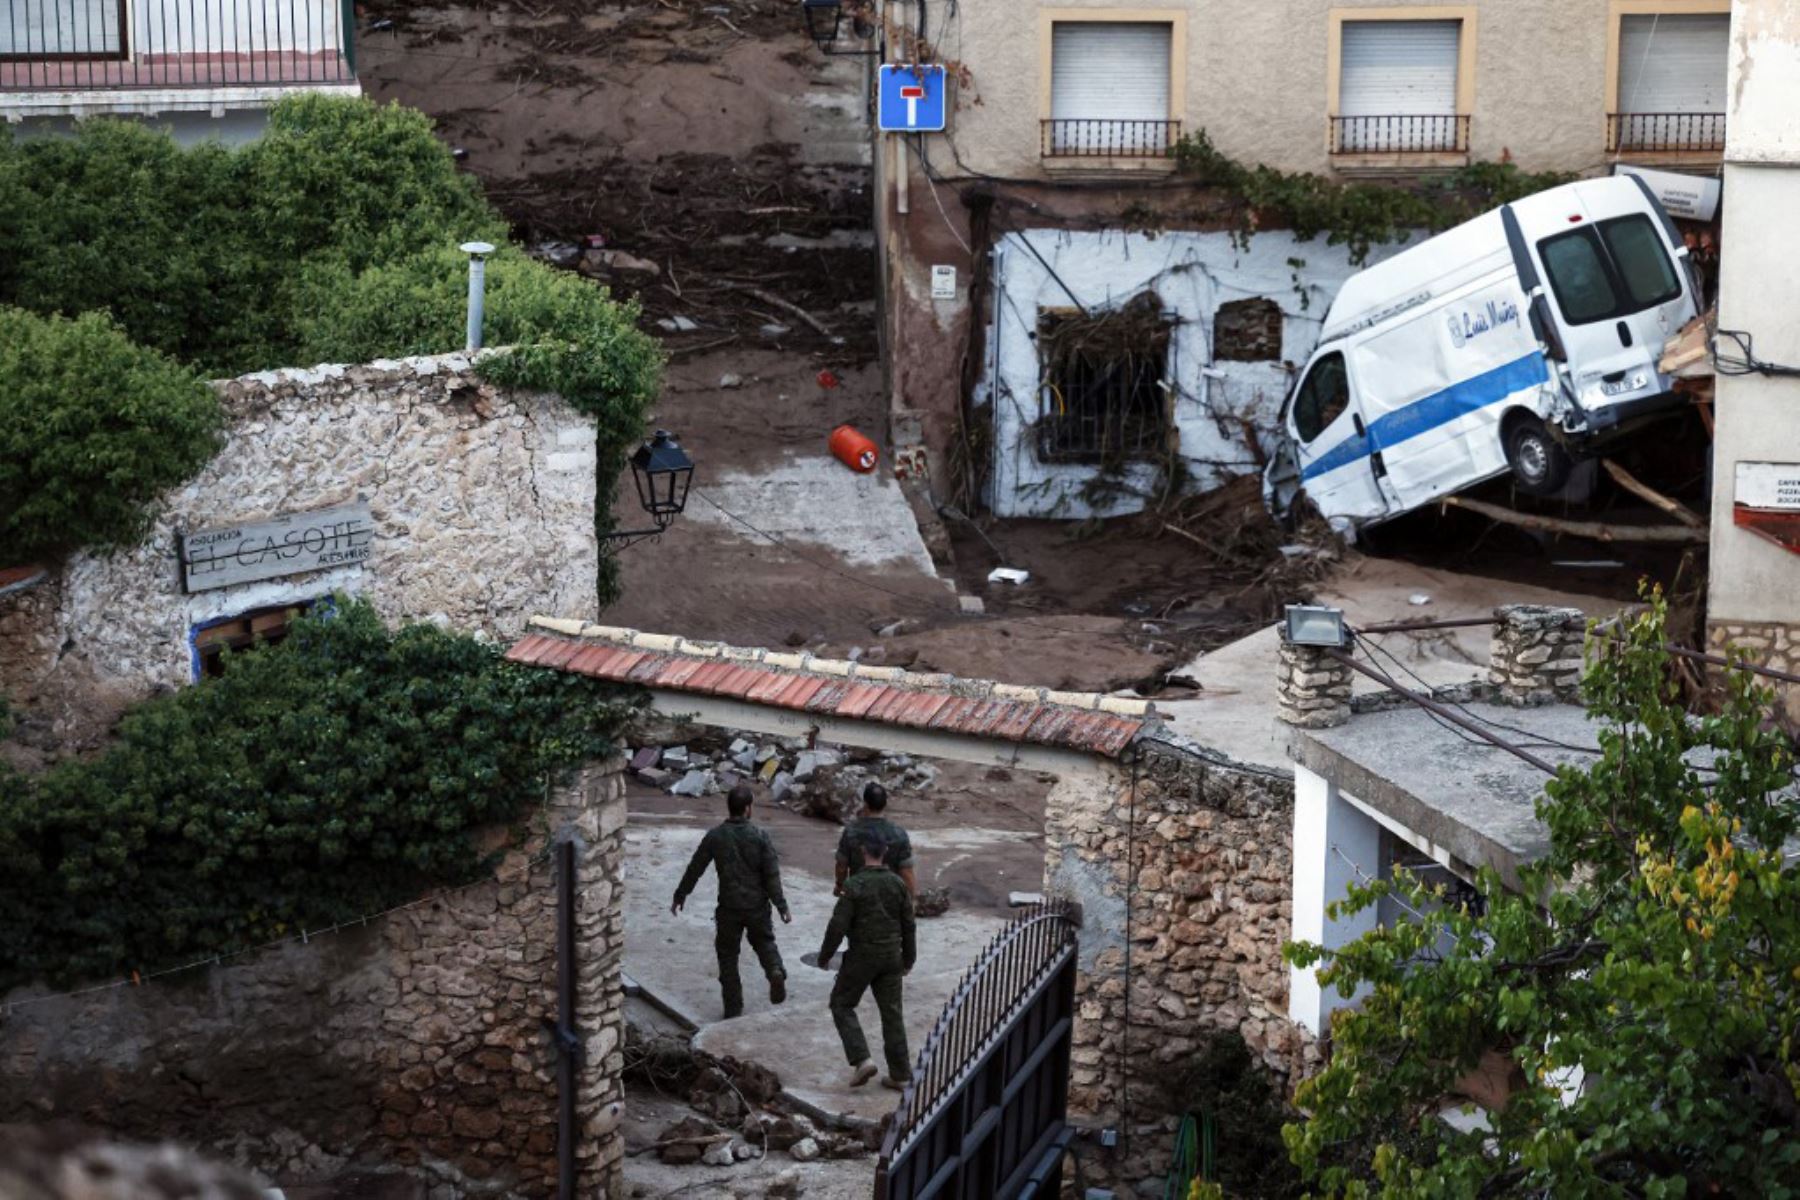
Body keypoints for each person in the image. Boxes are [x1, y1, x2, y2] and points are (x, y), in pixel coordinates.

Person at [670, 783, 791, 1019]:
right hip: (757, 906)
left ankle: (733, 1008)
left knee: (727, 957)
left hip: (729, 908)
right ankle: (775, 970)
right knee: (765, 943)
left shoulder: (715, 837)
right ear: (748, 809)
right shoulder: (760, 837)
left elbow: (696, 867)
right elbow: (771, 875)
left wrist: (680, 894)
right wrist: (782, 906)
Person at [818, 834, 916, 1090]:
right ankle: (901, 1074)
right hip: (892, 956)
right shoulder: (898, 884)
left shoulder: (855, 885)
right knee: (892, 1013)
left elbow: (838, 925)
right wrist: (909, 958)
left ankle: (862, 1059)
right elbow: (909, 924)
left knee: (841, 1004)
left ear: (863, 851)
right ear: (884, 852)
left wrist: (825, 956)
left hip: (862, 956)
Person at [834, 782, 916, 897]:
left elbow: (841, 866)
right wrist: (911, 899)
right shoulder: (899, 833)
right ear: (885, 804)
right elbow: (907, 872)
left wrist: (840, 886)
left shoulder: (851, 832)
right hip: (890, 898)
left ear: (865, 804)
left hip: (858, 895)